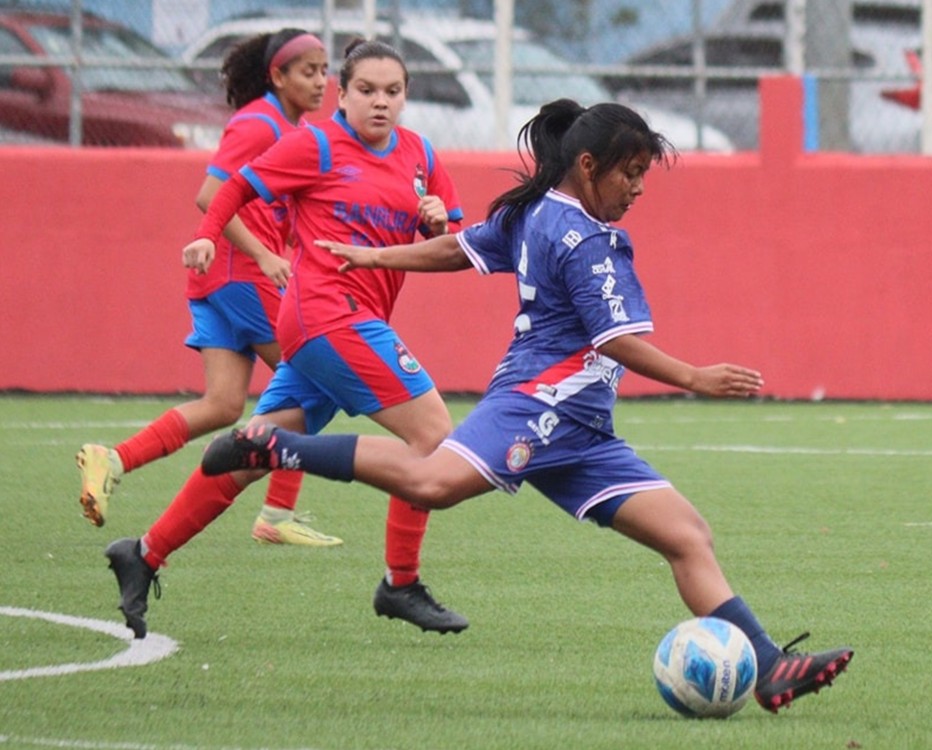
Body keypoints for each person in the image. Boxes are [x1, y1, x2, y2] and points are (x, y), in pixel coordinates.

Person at [201, 99, 855, 713]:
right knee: (433, 482)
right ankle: (276, 446)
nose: (639, 188)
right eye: (631, 173)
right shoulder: (587, 241)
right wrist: (695, 376)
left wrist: (375, 254)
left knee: (687, 536)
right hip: (539, 405)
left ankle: (768, 667)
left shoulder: (537, 209)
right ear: (589, 166)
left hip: (584, 430)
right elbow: (616, 339)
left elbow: (460, 247)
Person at [104, 38, 468, 639]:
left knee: (248, 452)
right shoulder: (315, 144)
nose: (381, 103)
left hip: (337, 325)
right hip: (329, 316)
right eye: (366, 90)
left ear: (406, 98)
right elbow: (233, 188)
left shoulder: (420, 154)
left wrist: (439, 217)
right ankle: (400, 584)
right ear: (342, 95)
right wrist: (204, 235)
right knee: (433, 440)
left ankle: (144, 552)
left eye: (394, 92)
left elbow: (453, 233)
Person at [76, 28, 339, 546]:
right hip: (242, 275)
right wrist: (265, 253)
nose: (321, 81)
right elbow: (211, 194)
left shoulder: (292, 127)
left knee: (222, 405)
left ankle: (113, 459)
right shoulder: (259, 123)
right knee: (315, 376)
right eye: (309, 71)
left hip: (224, 279)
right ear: (277, 76)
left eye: (324, 71)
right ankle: (278, 512)